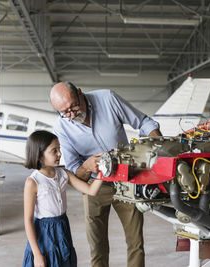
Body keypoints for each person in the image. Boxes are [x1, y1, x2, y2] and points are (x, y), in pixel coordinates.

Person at [49, 82, 162, 267]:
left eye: (73, 106)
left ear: (79, 93)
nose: (71, 114)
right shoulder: (62, 127)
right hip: (95, 186)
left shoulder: (108, 99)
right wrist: (86, 167)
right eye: (65, 112)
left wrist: (158, 143)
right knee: (97, 245)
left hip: (127, 180)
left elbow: (143, 122)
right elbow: (75, 172)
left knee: (135, 242)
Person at [22, 130, 103, 267]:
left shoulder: (63, 173)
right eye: (54, 150)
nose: (60, 154)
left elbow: (91, 190)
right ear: (40, 155)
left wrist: (104, 171)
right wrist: (37, 254)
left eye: (59, 149)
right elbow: (28, 220)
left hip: (62, 226)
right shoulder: (33, 182)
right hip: (44, 231)